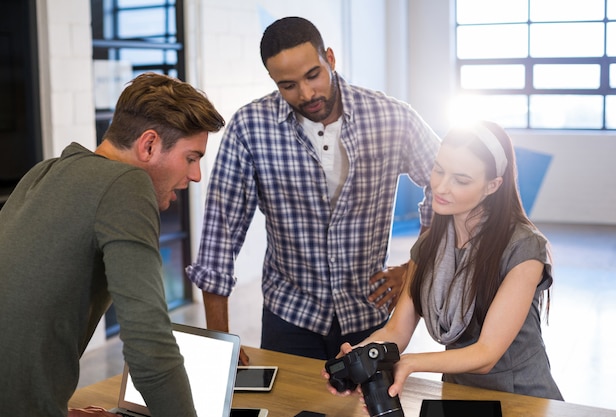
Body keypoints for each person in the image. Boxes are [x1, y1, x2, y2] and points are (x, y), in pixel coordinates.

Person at [186, 16, 440, 363]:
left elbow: (447, 186)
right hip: (290, 315)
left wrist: (415, 266)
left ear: (330, 59)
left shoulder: (391, 116)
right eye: (288, 85)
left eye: (313, 75)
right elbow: (220, 236)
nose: (306, 94)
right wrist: (219, 344)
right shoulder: (249, 128)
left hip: (369, 313)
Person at [0, 72, 225, 417]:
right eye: (191, 158)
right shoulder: (127, 184)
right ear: (149, 145)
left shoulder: (43, 173)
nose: (195, 176)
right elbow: (150, 348)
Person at [325, 120, 563, 405]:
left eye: (461, 180)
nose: (440, 186)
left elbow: (486, 353)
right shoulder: (429, 245)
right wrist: (358, 356)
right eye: (439, 169)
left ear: (492, 186)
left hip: (521, 397)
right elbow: (396, 330)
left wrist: (411, 363)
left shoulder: (524, 247)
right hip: (458, 394)